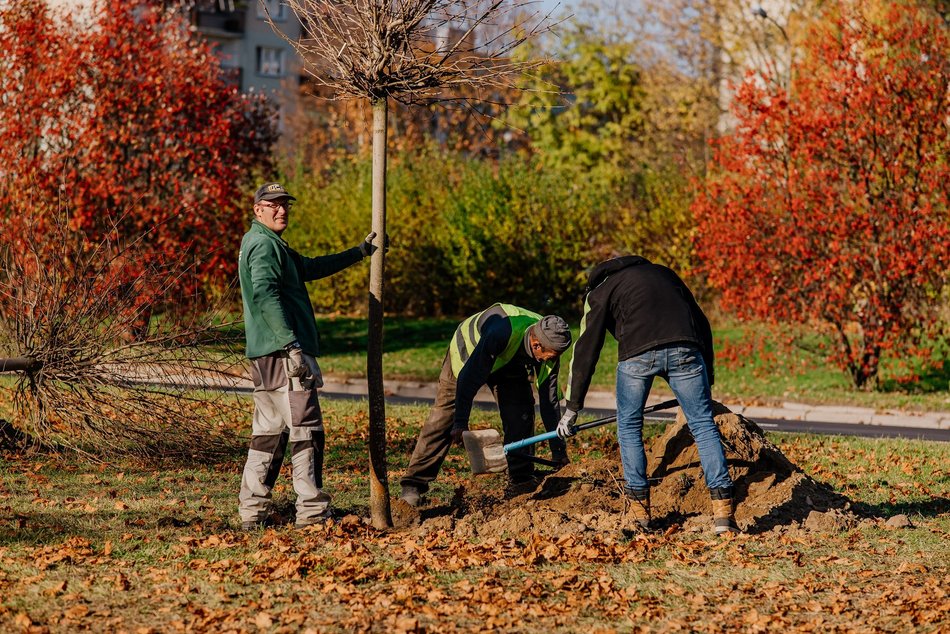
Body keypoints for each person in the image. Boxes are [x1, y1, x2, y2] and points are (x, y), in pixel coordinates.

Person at [556, 255, 738, 535]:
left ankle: (640, 515)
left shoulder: (601, 290)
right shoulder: (665, 273)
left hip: (637, 355)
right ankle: (723, 516)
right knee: (702, 424)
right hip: (686, 350)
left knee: (629, 426)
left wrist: (572, 408)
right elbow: (701, 321)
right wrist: (707, 376)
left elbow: (585, 350)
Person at [238, 181, 381, 530]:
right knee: (307, 431)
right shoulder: (263, 246)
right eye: (273, 205)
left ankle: (252, 512)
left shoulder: (266, 244)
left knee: (269, 434)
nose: (282, 210)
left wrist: (359, 252)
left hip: (266, 357)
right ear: (258, 210)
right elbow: (265, 295)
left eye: (285, 204)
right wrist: (291, 345)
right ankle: (312, 512)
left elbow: (310, 268)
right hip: (285, 356)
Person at [399, 304, 573, 506]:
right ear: (536, 345)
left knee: (521, 413)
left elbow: (550, 402)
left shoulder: (550, 346)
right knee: (445, 418)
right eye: (551, 356)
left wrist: (559, 452)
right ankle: (413, 486)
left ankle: (521, 480)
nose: (553, 360)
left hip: (509, 361)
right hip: (469, 352)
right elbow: (468, 377)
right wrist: (460, 422)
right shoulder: (502, 331)